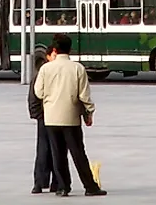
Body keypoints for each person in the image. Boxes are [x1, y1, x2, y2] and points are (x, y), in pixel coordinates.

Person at [33, 33, 107, 197]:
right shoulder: (77, 68)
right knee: (78, 153)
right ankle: (90, 186)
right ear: (70, 49)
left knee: (57, 154)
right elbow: (84, 96)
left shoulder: (45, 68)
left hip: (51, 117)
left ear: (55, 49)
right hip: (71, 117)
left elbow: (38, 92)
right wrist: (89, 112)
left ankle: (63, 187)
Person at [29, 48, 58, 194]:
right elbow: (34, 96)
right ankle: (39, 182)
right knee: (44, 150)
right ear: (47, 57)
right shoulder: (43, 72)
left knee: (57, 151)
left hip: (58, 117)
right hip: (46, 118)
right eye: (54, 55)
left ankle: (56, 182)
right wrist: (38, 115)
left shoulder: (58, 71)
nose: (56, 57)